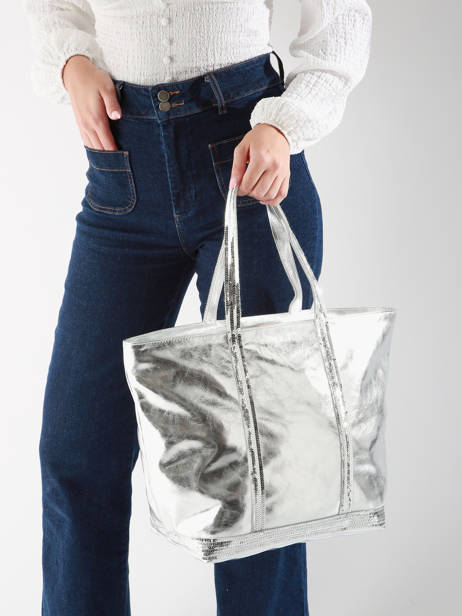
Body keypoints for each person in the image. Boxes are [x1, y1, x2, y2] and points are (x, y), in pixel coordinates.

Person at [24, 1, 372, 614]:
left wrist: (284, 125)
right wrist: (72, 61)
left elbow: (339, 22)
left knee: (257, 469)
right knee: (76, 453)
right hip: (120, 174)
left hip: (249, 157)